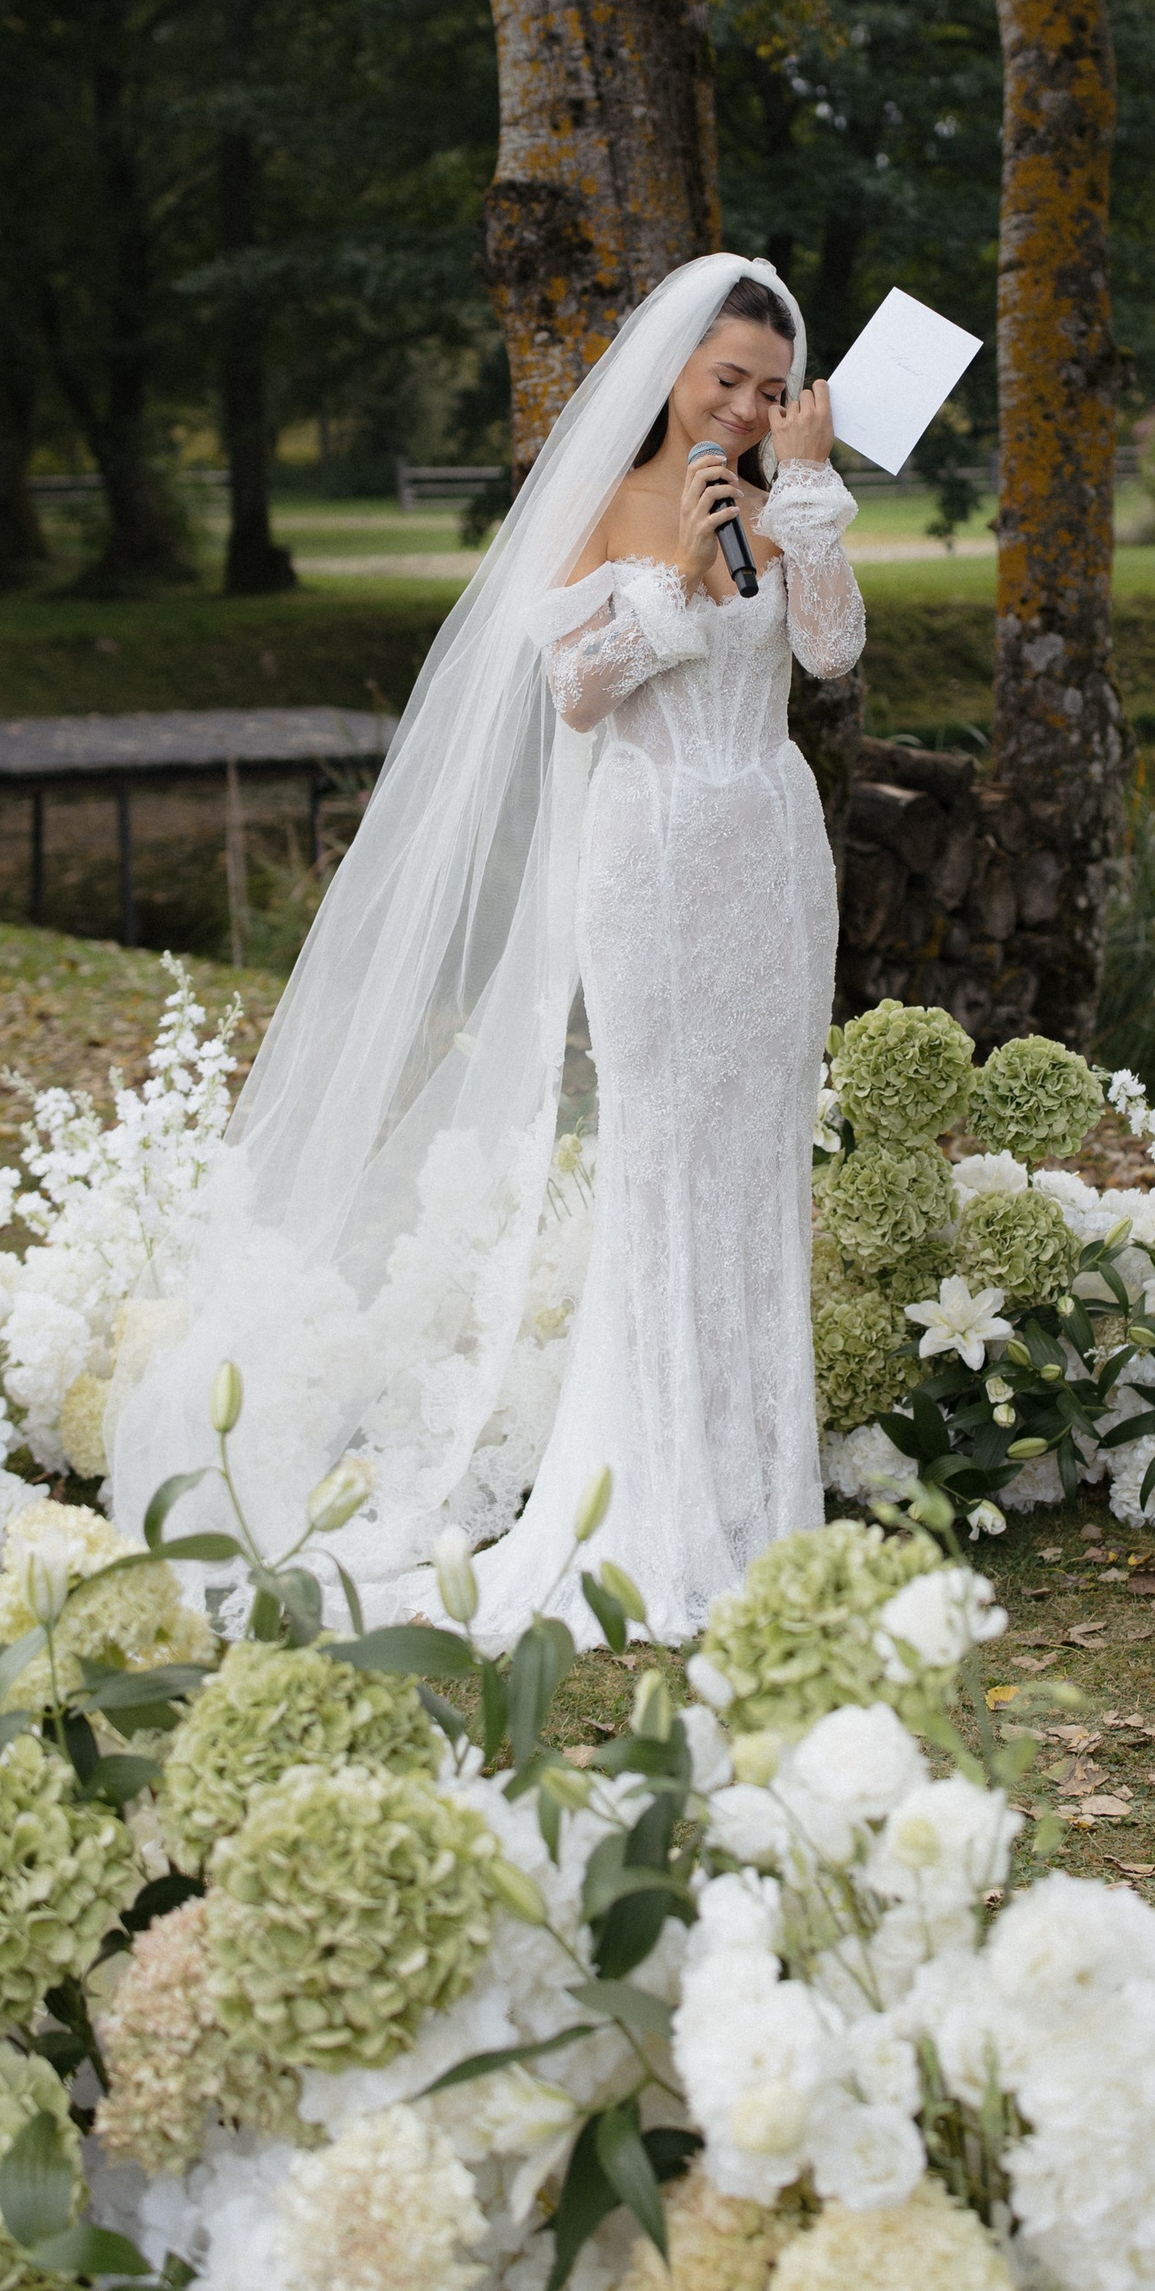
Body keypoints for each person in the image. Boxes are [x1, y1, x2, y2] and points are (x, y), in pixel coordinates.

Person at [106, 254, 865, 1645]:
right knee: (663, 1155)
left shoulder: (782, 503)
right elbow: (576, 694)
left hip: (768, 849)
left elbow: (827, 657)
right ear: (670, 376)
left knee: (757, 1154)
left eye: (771, 390)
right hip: (652, 857)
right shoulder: (600, 506)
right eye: (726, 383)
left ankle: (760, 1501)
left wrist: (802, 505)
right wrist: (677, 578)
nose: (749, 411)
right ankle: (653, 1495)